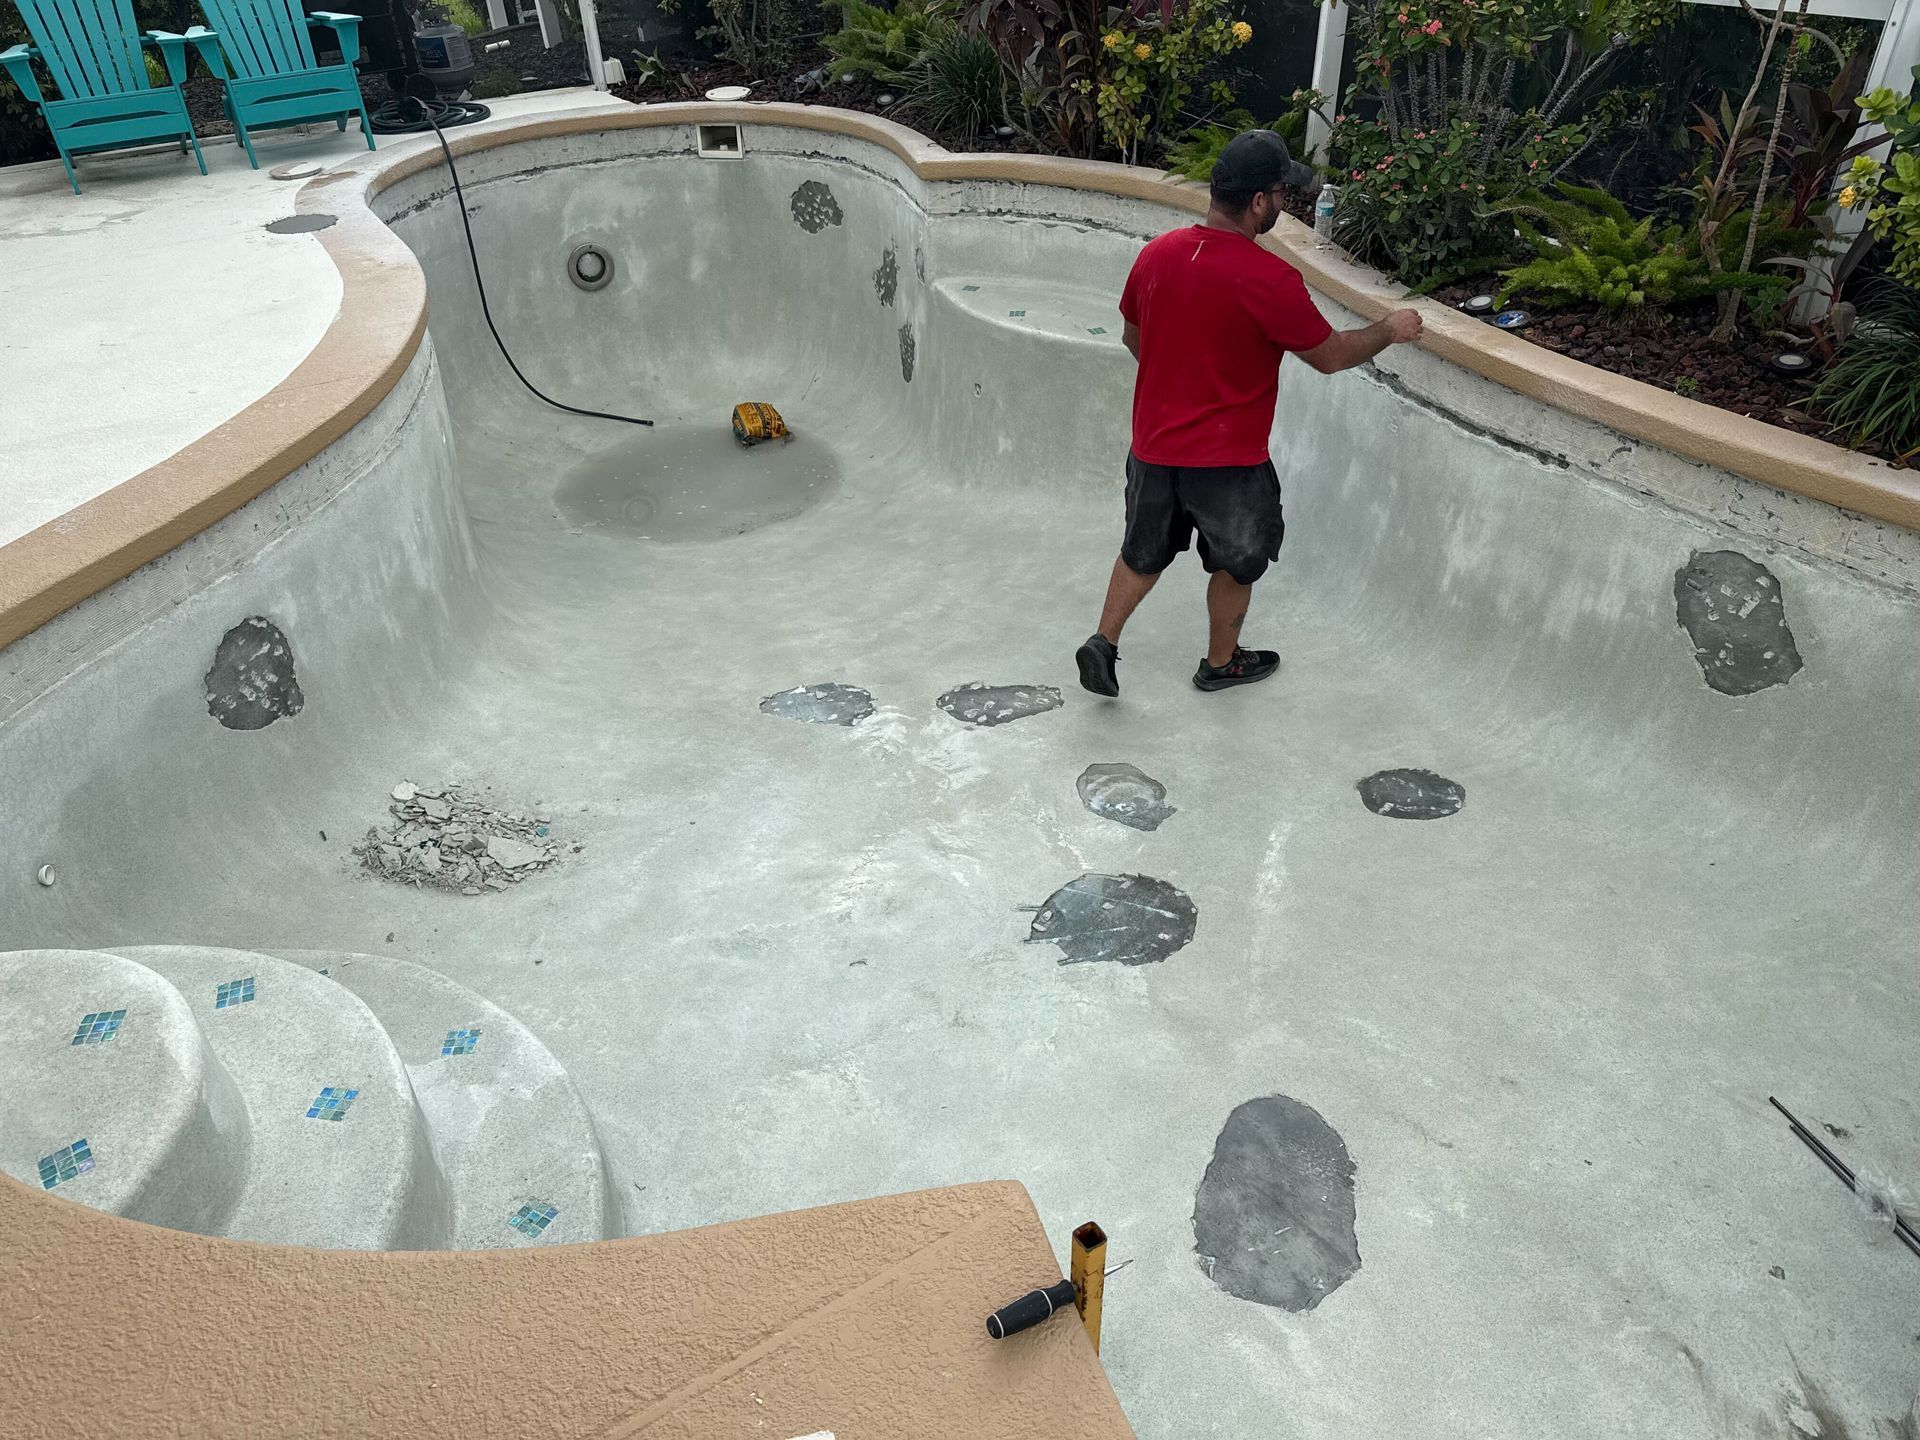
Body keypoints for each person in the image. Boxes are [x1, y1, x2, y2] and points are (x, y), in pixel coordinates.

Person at [1075, 129, 1424, 696]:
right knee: (1237, 562)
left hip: (1154, 448)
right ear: (1259, 202)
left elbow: (1133, 338)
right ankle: (1220, 662)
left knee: (1142, 552)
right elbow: (1331, 357)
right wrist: (1389, 329)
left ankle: (1103, 642)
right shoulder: (1269, 279)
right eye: (1283, 193)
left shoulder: (1157, 255)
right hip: (1228, 461)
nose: (1285, 204)